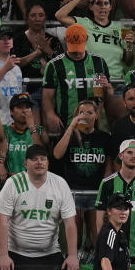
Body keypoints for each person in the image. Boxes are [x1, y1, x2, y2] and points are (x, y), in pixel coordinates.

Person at [0, 144, 77, 270]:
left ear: (48, 162)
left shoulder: (60, 184)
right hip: (16, 254)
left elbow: (70, 223)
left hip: (51, 253)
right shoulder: (12, 183)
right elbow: (2, 221)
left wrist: (73, 255)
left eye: (43, 158)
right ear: (25, 163)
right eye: (34, 159)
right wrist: (4, 255)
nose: (39, 162)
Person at [53, 99, 113, 260]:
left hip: (96, 191)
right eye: (81, 112)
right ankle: (73, 262)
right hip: (74, 192)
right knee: (75, 236)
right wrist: (71, 127)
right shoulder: (69, 135)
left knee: (98, 235)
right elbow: (57, 154)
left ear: (97, 115)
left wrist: (105, 189)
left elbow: (109, 165)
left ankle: (97, 264)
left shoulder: (104, 137)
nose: (85, 115)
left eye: (89, 112)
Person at [96, 139, 135, 269]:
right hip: (111, 250)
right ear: (120, 155)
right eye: (129, 152)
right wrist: (103, 248)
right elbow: (100, 218)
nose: (133, 156)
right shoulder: (107, 183)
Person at [41, 24, 113, 134]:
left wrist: (107, 88)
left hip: (92, 125)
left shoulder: (98, 63)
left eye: (78, 46)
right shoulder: (54, 65)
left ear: (87, 39)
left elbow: (105, 95)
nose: (77, 52)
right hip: (65, 123)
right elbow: (47, 95)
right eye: (73, 47)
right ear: (65, 40)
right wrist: (50, 114)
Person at [2, 93, 45, 177]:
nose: (24, 110)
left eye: (27, 107)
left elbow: (41, 156)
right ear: (11, 111)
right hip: (10, 180)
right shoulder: (5, 131)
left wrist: (32, 127)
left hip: (34, 181)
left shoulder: (40, 131)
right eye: (20, 107)